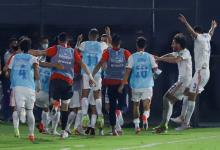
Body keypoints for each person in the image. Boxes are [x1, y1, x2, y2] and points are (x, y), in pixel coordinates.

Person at [29, 32, 96, 139]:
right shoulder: (72, 51)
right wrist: (91, 77)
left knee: (54, 101)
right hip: (68, 81)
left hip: (56, 80)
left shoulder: (55, 49)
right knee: (65, 107)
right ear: (67, 41)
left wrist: (27, 51)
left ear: (59, 41)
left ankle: (55, 106)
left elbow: (40, 53)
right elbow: (82, 64)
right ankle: (64, 131)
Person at [170, 14, 218, 130]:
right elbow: (210, 33)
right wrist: (213, 27)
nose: (192, 37)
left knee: (191, 96)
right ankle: (182, 118)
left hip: (201, 73)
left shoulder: (200, 38)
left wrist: (185, 22)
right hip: (202, 73)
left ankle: (186, 123)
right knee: (187, 94)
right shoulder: (207, 37)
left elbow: (192, 32)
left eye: (193, 35)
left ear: (197, 33)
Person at [119, 37, 161, 134]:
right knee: (147, 105)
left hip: (135, 85)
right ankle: (145, 116)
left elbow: (127, 72)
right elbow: (156, 71)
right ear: (145, 46)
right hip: (147, 85)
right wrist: (154, 75)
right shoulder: (150, 56)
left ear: (136, 45)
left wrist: (122, 84)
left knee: (136, 105)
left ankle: (137, 126)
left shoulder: (132, 57)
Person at [93, 34, 131, 136]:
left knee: (111, 107)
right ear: (120, 43)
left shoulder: (107, 52)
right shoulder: (125, 52)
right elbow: (131, 65)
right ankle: (117, 124)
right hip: (122, 83)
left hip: (110, 83)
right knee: (122, 106)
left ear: (112, 43)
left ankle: (114, 129)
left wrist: (92, 75)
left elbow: (100, 64)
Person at [153, 33, 192, 133]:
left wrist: (160, 59)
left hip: (184, 82)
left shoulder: (185, 52)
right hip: (182, 82)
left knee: (167, 98)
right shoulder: (179, 52)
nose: (172, 45)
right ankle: (164, 125)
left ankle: (164, 125)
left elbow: (176, 60)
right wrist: (159, 58)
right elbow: (171, 55)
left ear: (179, 44)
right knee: (168, 100)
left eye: (173, 43)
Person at [8, 38, 40, 142]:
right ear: (29, 48)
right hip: (30, 87)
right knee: (30, 111)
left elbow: (9, 71)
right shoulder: (33, 58)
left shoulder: (14, 57)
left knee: (17, 109)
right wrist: (38, 83)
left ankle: (16, 128)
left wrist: (12, 82)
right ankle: (31, 135)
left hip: (17, 86)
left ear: (20, 47)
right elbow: (36, 71)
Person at [79, 28, 106, 135]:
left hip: (86, 73)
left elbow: (77, 51)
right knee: (97, 96)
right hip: (97, 73)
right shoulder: (101, 45)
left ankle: (85, 115)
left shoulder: (84, 44)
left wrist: (78, 41)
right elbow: (109, 44)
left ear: (89, 35)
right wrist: (108, 34)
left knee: (84, 95)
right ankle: (100, 116)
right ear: (97, 36)